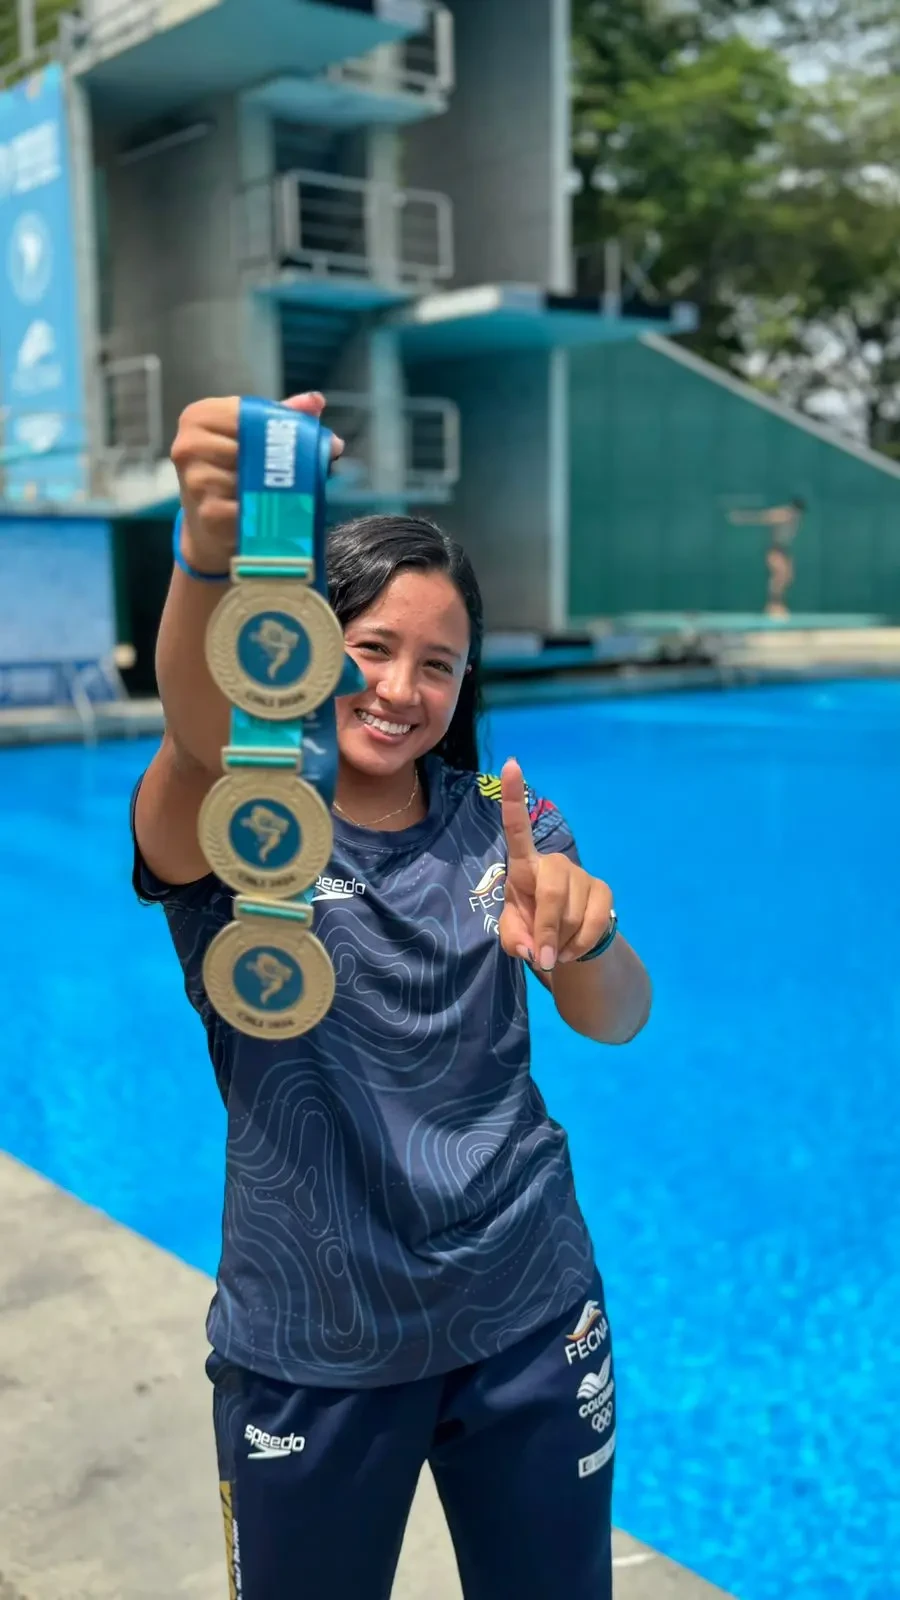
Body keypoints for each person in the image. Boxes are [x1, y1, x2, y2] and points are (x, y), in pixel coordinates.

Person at [131, 391, 653, 1600]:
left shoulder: (504, 822)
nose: (399, 688)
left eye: (437, 663)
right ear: (305, 642)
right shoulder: (238, 824)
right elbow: (202, 730)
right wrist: (212, 557)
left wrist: (585, 932)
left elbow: (616, 1015)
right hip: (315, 1345)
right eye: (367, 644)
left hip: (531, 1314)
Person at [727, 497, 806, 617]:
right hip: (775, 549)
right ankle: (773, 606)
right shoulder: (781, 515)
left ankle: (779, 604)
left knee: (788, 578)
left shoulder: (795, 518)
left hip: (785, 550)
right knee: (779, 575)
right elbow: (760, 518)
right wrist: (741, 517)